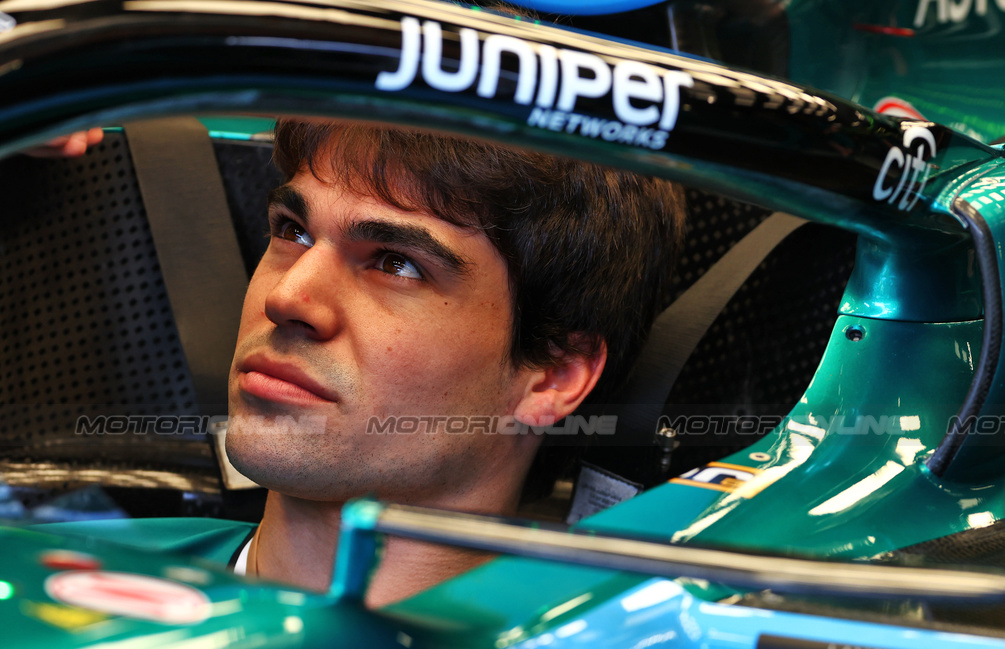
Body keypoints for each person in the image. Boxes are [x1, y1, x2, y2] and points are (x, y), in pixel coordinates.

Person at [220, 120, 684, 605]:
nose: (286, 296)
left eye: (395, 263)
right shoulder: (134, 568)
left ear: (553, 376)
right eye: (294, 232)